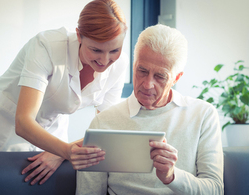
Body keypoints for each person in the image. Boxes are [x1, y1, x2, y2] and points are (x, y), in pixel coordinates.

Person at [0, 0, 128, 186]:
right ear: (79, 35)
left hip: (54, 132)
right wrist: (65, 151)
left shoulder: (120, 64)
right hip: (5, 128)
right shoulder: (46, 46)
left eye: (114, 50)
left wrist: (59, 152)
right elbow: (23, 122)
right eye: (95, 50)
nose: (105, 60)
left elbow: (106, 130)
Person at [76, 24, 224, 194]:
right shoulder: (103, 122)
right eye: (142, 71)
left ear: (176, 78)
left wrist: (172, 176)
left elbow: (215, 190)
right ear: (133, 66)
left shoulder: (203, 115)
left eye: (160, 76)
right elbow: (88, 192)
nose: (147, 84)